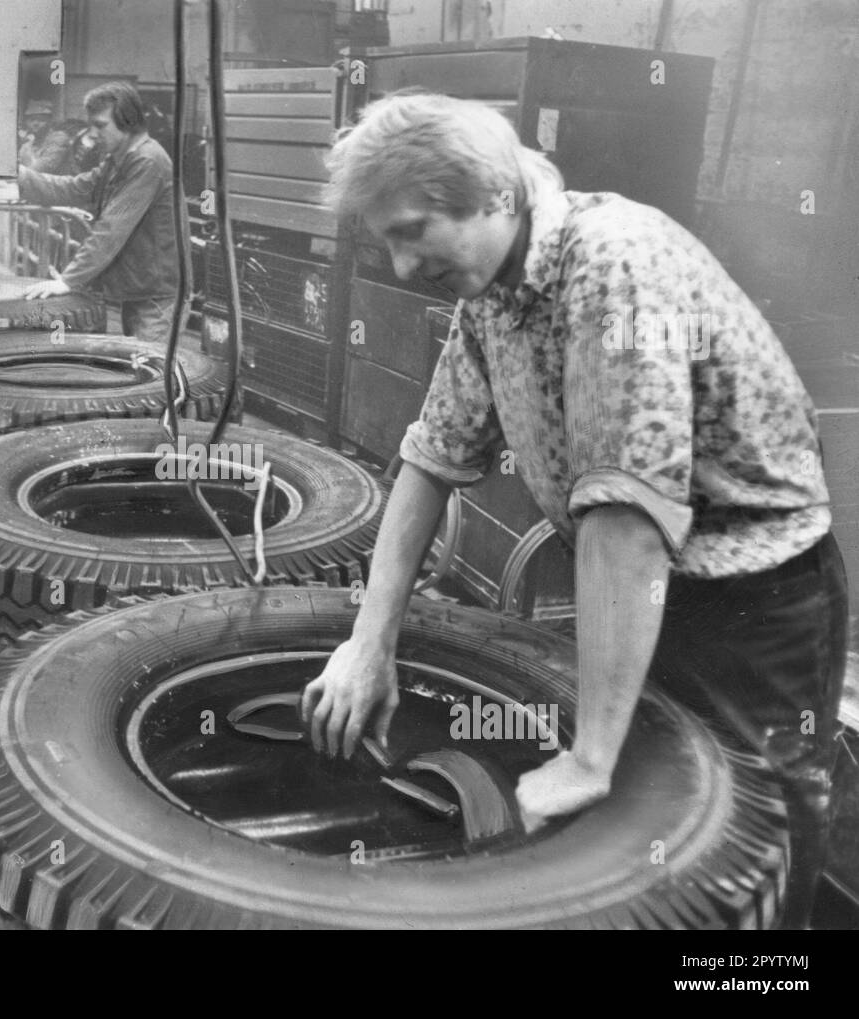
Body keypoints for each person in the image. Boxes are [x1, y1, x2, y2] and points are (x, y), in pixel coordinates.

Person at [301, 92, 847, 928]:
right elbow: (429, 457)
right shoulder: (489, 289)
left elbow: (625, 523)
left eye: (412, 231)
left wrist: (592, 756)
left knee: (755, 838)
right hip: (643, 595)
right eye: (386, 241)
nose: (402, 266)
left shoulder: (614, 262)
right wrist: (367, 644)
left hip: (754, 604)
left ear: (496, 196)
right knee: (653, 834)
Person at [17, 81, 185, 344]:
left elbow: (111, 228)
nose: (92, 133)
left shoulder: (147, 161)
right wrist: (19, 176)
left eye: (100, 125)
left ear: (127, 121)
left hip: (157, 298)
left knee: (149, 369)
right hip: (140, 290)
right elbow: (73, 188)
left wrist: (69, 280)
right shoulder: (118, 160)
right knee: (137, 366)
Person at [18, 99, 74, 175]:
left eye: (40, 119)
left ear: (50, 121)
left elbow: (44, 166)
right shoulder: (26, 147)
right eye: (31, 120)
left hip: (57, 185)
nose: (35, 123)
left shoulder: (59, 139)